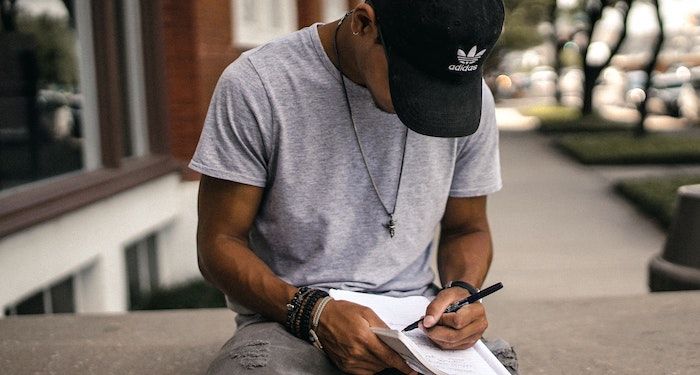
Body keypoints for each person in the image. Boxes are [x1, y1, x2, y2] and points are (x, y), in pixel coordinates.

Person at [190, 0, 510, 374]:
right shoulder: (259, 84)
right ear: (363, 24)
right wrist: (313, 311)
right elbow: (218, 243)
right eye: (415, 79)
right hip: (288, 318)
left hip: (414, 324)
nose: (431, 104)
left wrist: (463, 292)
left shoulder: (467, 100)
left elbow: (467, 227)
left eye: (446, 84)